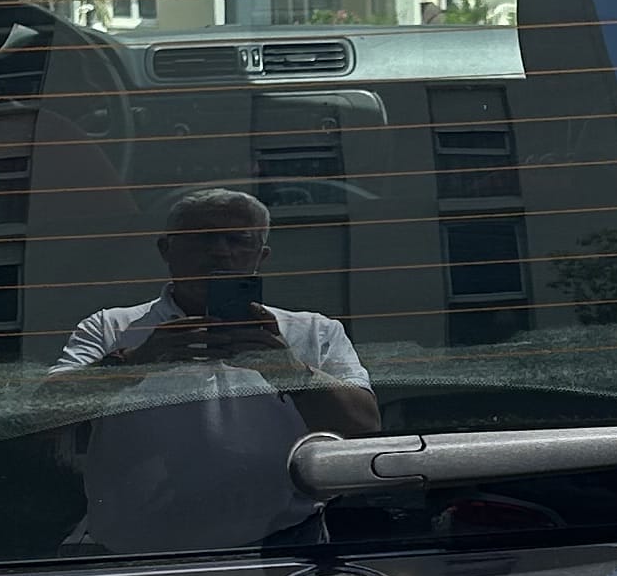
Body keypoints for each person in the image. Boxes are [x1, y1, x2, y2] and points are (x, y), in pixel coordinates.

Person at [55, 186, 379, 550]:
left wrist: (289, 370)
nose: (221, 251)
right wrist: (135, 363)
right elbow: (47, 411)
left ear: (261, 255)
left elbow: (364, 422)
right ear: (166, 250)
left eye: (238, 239)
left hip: (282, 546)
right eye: (203, 238)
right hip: (133, 551)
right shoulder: (110, 328)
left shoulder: (314, 331)